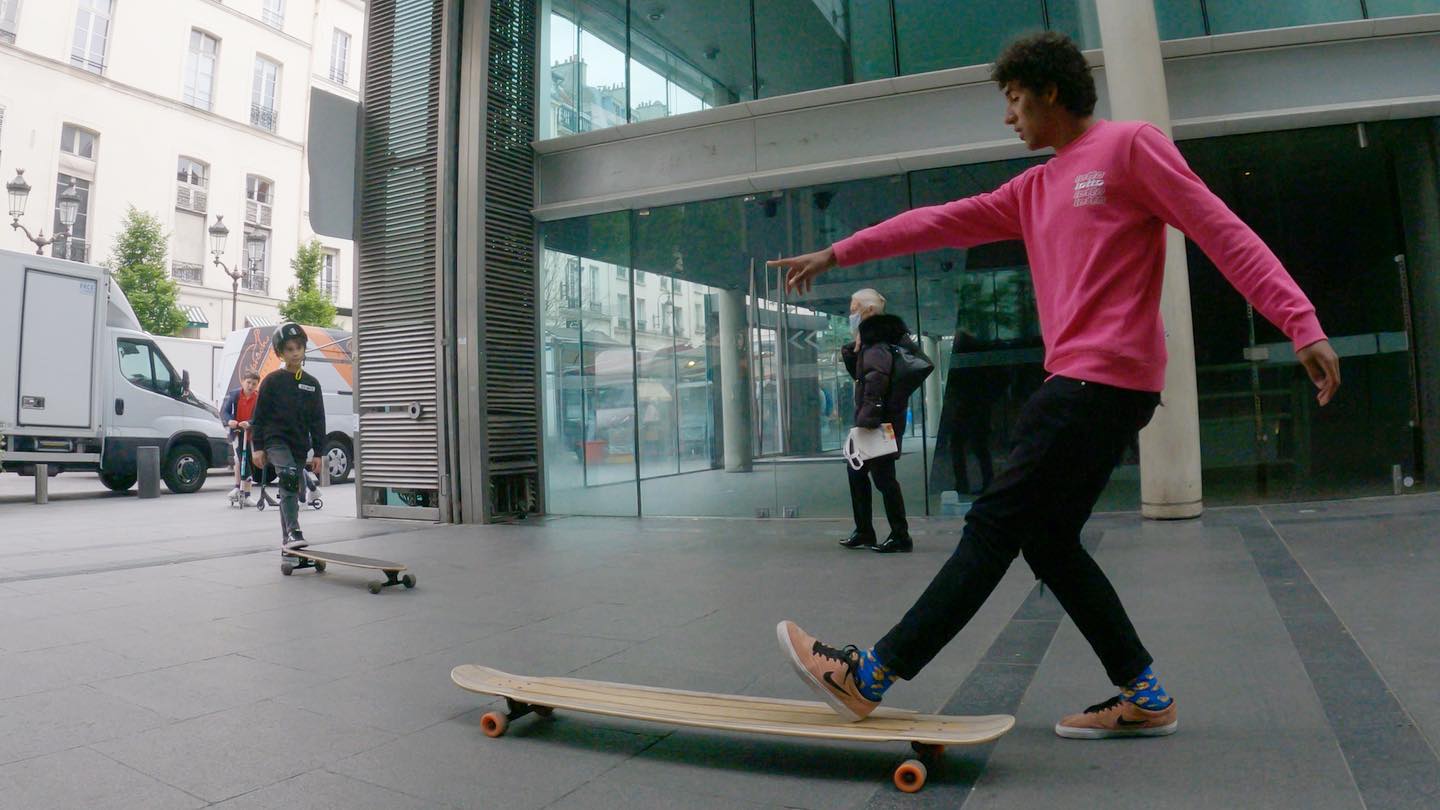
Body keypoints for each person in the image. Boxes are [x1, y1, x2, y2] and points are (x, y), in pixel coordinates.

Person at [770, 31, 1340, 739]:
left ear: (1048, 91)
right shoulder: (1034, 188)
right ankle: (1145, 691)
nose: (1008, 117)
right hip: (1092, 386)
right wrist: (840, 251)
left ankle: (871, 675)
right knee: (1048, 539)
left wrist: (1299, 321)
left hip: (1095, 383)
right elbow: (938, 224)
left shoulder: (1131, 148)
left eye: (1013, 100)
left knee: (993, 525)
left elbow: (1219, 229)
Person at [838, 288, 916, 553]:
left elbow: (875, 380)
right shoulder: (872, 342)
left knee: (883, 478)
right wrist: (853, 348)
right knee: (857, 471)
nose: (850, 314)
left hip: (878, 423)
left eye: (853, 307)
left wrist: (867, 418)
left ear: (867, 311)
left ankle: (900, 535)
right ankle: (865, 530)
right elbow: (862, 374)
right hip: (877, 420)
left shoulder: (877, 343)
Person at [249, 323, 326, 551]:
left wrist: (319, 453)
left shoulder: (312, 384)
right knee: (290, 476)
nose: (295, 353)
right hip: (276, 441)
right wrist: (258, 447)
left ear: (304, 350)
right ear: (280, 353)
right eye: (289, 349)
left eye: (298, 348)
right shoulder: (272, 381)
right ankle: (295, 530)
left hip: (299, 446)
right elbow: (259, 416)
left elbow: (318, 420)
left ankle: (289, 543)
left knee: (292, 488)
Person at [220, 371, 261, 506]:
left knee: (247, 460)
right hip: (237, 431)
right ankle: (239, 487)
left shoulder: (258, 398)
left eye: (254, 384)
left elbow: (259, 416)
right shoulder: (235, 395)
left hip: (250, 433)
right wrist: (230, 421)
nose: (250, 386)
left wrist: (249, 422)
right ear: (243, 381)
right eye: (248, 383)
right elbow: (224, 412)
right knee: (239, 460)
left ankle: (246, 493)